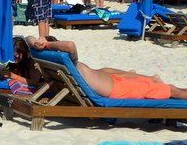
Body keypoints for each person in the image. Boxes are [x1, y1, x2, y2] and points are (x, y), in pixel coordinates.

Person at [26, 35, 187, 99]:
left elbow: (28, 38)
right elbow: (69, 44)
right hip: (117, 88)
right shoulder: (69, 61)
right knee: (171, 90)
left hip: (110, 81)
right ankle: (152, 80)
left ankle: (151, 78)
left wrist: (36, 43)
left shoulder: (58, 62)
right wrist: (47, 43)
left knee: (106, 71)